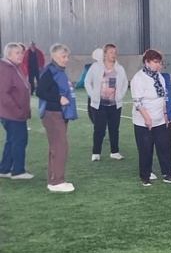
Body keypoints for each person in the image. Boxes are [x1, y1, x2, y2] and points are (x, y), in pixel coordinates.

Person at [130, 49, 171, 186]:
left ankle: (167, 174)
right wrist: (147, 118)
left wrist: (165, 116)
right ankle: (145, 177)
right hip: (143, 121)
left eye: (159, 62)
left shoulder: (159, 77)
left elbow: (163, 98)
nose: (158, 65)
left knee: (164, 147)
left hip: (160, 120)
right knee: (145, 149)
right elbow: (137, 102)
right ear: (147, 62)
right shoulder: (138, 78)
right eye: (155, 62)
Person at [36, 44, 78, 192]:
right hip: (52, 114)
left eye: (67, 56)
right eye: (63, 56)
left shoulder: (59, 71)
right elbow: (40, 91)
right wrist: (58, 98)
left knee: (56, 146)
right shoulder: (49, 72)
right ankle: (57, 182)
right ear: (54, 56)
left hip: (59, 114)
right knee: (60, 146)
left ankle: (53, 180)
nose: (66, 59)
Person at [84, 44, 128, 161]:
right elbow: (87, 81)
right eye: (111, 52)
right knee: (99, 129)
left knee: (114, 129)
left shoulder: (120, 69)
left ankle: (115, 152)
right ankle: (96, 153)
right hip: (99, 104)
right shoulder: (96, 67)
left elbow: (124, 83)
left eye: (115, 52)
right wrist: (92, 94)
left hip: (115, 104)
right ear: (105, 54)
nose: (113, 55)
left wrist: (120, 95)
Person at [0, 43, 33, 179]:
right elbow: (3, 94)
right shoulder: (5, 69)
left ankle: (4, 169)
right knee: (19, 140)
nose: (21, 55)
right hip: (12, 114)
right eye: (17, 53)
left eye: (21, 52)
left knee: (12, 140)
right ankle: (18, 171)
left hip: (16, 113)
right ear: (8, 54)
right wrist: (17, 110)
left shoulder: (14, 67)